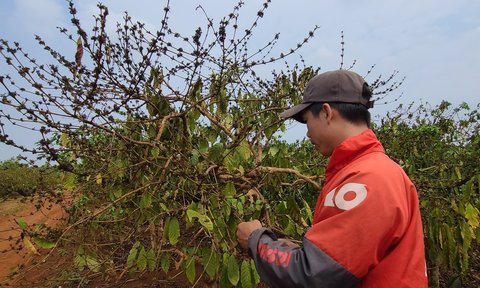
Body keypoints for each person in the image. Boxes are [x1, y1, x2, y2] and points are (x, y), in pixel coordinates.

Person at [236, 69, 428, 287]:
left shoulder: (366, 179)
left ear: (326, 112)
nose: (308, 133)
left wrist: (256, 239)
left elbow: (312, 275)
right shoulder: (374, 170)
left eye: (307, 121)